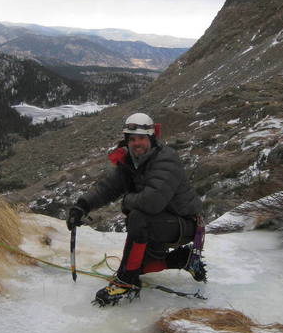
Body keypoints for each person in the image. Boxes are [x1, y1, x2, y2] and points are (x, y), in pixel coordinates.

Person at [66, 112, 206, 306]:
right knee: (138, 266)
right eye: (132, 139)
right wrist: (82, 206)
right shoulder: (131, 162)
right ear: (127, 141)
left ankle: (126, 282)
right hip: (164, 220)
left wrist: (126, 202)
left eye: (141, 138)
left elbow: (152, 202)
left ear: (151, 138)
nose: (136, 143)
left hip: (185, 223)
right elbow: (107, 188)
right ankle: (183, 259)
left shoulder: (166, 160)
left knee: (138, 218)